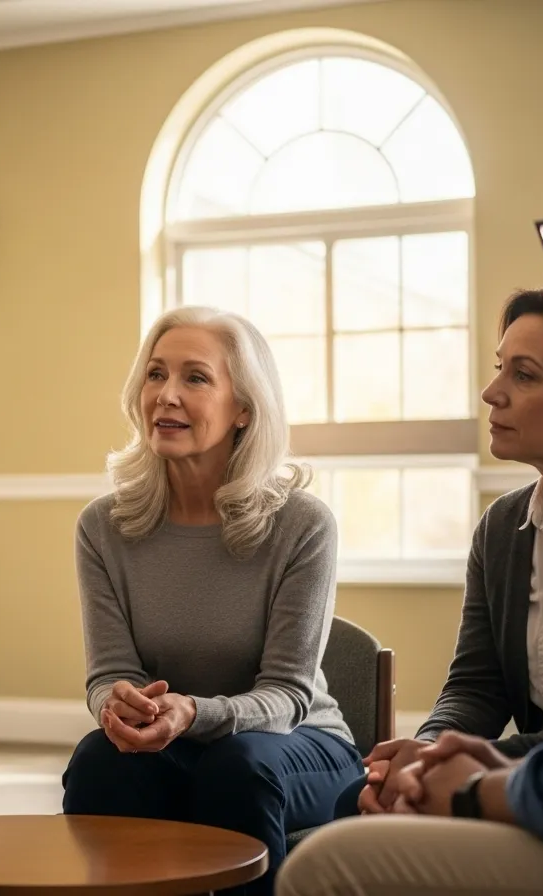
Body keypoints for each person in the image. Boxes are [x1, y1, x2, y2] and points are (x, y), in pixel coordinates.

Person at [277, 90, 543, 896]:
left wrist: (477, 785)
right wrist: (438, 752)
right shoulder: (516, 520)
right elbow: (478, 686)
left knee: (326, 868)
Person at [62, 305, 362, 895]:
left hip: (296, 744)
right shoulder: (102, 527)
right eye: (155, 374)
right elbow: (109, 673)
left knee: (237, 767)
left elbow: (288, 695)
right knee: (99, 760)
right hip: (175, 741)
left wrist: (194, 713)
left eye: (195, 377)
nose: (166, 395)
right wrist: (116, 706)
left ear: (243, 408)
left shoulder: (303, 524)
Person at [331, 287, 543, 820]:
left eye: (523, 375)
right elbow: (476, 687)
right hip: (517, 779)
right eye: (500, 369)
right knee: (354, 802)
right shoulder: (501, 527)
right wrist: (427, 749)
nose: (491, 392)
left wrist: (461, 765)